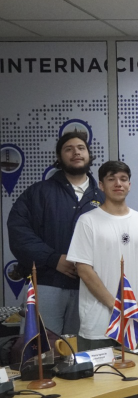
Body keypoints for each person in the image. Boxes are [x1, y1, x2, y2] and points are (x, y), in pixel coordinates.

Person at [7, 132, 104, 335]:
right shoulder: (38, 193)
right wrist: (53, 259)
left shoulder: (104, 198)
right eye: (68, 149)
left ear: (89, 154)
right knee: (41, 352)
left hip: (91, 288)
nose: (76, 152)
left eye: (81, 148)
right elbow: (19, 232)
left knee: (82, 353)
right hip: (47, 284)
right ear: (59, 158)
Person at [67, 161, 138, 351]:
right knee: (101, 378)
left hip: (136, 320)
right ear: (101, 185)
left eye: (123, 179)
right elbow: (83, 269)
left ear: (129, 185)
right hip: (99, 323)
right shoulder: (87, 221)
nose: (118, 183)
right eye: (111, 179)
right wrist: (116, 306)